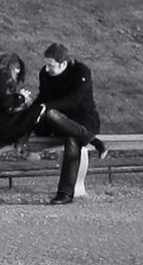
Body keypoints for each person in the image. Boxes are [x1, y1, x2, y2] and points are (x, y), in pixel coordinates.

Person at [33, 42, 109, 205]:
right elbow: (42, 96)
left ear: (64, 64)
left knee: (71, 137)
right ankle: (95, 142)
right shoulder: (44, 74)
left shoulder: (81, 72)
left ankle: (65, 194)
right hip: (58, 121)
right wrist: (32, 110)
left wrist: (45, 107)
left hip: (84, 119)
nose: (47, 69)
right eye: (46, 64)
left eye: (51, 66)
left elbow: (74, 99)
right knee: (52, 116)